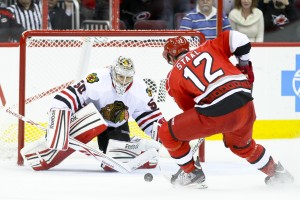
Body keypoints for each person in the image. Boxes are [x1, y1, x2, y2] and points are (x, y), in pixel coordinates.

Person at [158, 30, 294, 188]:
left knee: (166, 133)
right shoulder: (209, 46)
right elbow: (241, 39)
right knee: (242, 146)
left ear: (169, 57)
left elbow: (191, 110)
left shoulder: (172, 77)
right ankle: (278, 174)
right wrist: (244, 67)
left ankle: (191, 173)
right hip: (246, 104)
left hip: (217, 112)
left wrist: (217, 122)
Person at [21, 56, 165, 171]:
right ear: (113, 72)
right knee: (64, 140)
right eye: (121, 77)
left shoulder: (140, 89)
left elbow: (151, 117)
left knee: (113, 162)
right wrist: (58, 120)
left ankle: (136, 146)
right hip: (89, 118)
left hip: (115, 125)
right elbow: (66, 97)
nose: (125, 81)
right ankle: (46, 152)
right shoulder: (97, 79)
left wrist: (166, 136)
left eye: (128, 78)